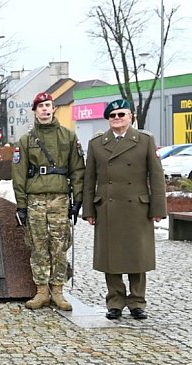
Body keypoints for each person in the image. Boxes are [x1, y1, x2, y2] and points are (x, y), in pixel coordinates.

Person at [82, 99, 166, 320]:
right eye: (113, 115)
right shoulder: (97, 143)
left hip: (137, 207)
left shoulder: (145, 140)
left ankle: (137, 301)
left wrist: (158, 207)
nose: (117, 118)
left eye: (121, 114)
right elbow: (89, 179)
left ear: (131, 116)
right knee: (111, 257)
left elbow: (156, 176)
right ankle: (115, 301)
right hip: (107, 207)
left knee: (138, 256)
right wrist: (88, 209)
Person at [12, 92, 85, 311]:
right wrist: (21, 205)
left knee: (59, 245)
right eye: (40, 106)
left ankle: (58, 291)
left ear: (54, 109)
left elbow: (78, 170)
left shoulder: (68, 137)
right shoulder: (26, 140)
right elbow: (19, 174)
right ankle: (42, 291)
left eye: (48, 105)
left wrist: (77, 199)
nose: (45, 109)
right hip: (35, 199)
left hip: (59, 199)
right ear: (35, 111)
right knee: (38, 246)